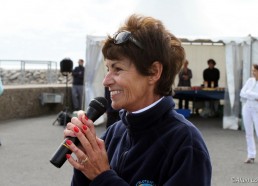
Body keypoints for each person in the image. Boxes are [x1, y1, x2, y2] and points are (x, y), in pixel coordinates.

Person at [64, 14, 212, 185]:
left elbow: (102, 178)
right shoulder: (113, 134)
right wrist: (86, 160)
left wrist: (103, 177)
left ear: (154, 72)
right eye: (107, 69)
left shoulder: (185, 143)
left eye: (117, 69)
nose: (106, 81)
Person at [240, 64, 258, 164]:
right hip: (247, 108)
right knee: (249, 133)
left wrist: (249, 93)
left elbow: (246, 93)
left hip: (257, 109)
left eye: (255, 70)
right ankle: (251, 155)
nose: (253, 72)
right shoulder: (250, 81)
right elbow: (242, 93)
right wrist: (254, 96)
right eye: (252, 70)